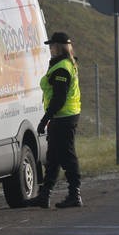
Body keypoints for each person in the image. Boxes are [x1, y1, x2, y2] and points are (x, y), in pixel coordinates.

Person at [27, 31, 82, 209]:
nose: (50, 48)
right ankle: (44, 195)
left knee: (66, 156)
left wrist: (45, 119)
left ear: (59, 47)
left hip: (64, 117)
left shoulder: (62, 68)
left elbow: (59, 98)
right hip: (63, 116)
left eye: (51, 45)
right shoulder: (63, 64)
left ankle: (75, 195)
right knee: (53, 157)